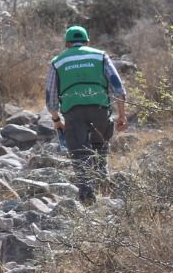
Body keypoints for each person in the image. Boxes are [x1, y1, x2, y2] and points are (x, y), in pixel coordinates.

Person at [45, 25, 127, 203]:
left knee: (79, 153)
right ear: (88, 41)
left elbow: (50, 97)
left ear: (67, 43)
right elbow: (118, 88)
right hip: (100, 108)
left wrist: (56, 120)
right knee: (100, 145)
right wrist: (122, 115)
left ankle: (87, 194)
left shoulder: (57, 62)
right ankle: (102, 178)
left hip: (73, 113)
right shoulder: (100, 56)